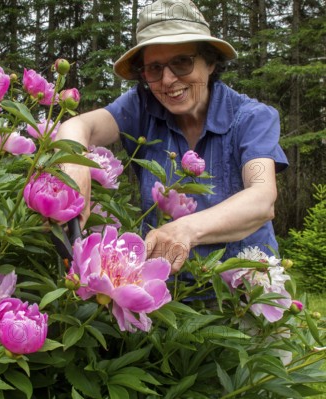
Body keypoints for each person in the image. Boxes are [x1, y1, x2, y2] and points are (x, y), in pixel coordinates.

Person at [56, 0, 288, 274]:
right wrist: (75, 162)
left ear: (210, 61)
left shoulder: (251, 118)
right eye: (154, 68)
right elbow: (80, 125)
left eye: (182, 62)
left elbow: (262, 198)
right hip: (163, 296)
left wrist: (186, 229)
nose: (167, 80)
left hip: (243, 296)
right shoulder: (143, 106)